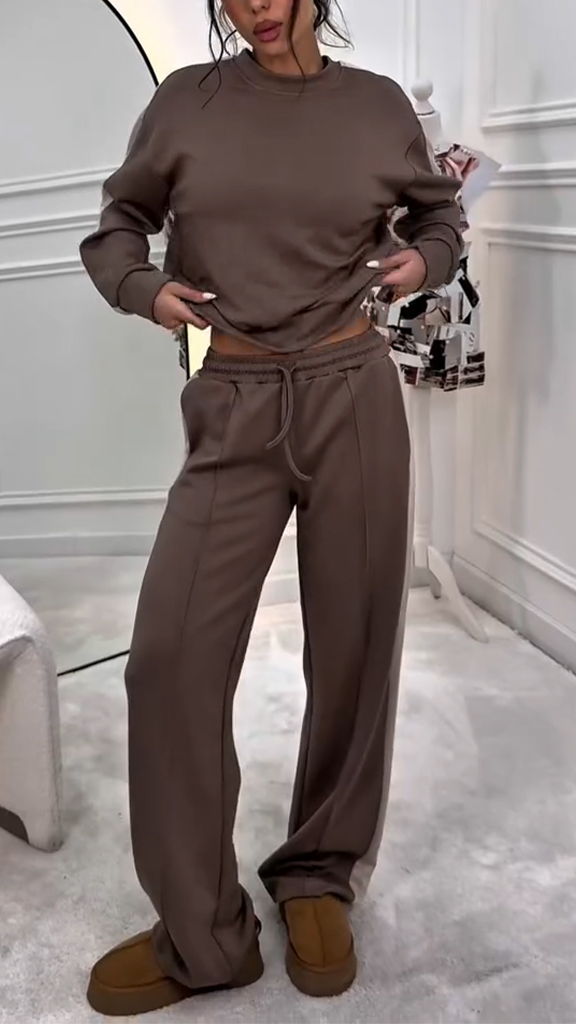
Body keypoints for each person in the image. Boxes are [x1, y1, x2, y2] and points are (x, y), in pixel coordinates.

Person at [80, 0, 462, 1015]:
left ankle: (319, 872)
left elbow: (439, 218)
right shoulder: (186, 103)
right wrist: (141, 287)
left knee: (355, 647)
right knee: (169, 660)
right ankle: (203, 934)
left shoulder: (377, 106)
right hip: (234, 399)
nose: (253, 5)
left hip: (353, 393)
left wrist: (426, 259)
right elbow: (117, 226)